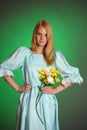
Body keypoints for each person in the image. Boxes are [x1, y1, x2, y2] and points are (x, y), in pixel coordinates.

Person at [0, 20, 83, 130]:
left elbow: (74, 75)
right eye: (39, 34)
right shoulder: (25, 54)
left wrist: (55, 90)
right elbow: (4, 67)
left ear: (49, 37)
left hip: (46, 100)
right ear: (35, 35)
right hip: (28, 99)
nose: (42, 38)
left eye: (46, 35)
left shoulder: (54, 56)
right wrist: (17, 87)